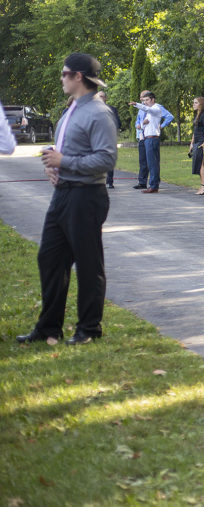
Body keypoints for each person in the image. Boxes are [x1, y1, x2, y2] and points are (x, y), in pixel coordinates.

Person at [16, 54, 117, 346]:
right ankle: (49, 328)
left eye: (64, 73)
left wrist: (65, 161)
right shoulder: (72, 110)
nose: (60, 78)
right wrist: (54, 164)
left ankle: (89, 329)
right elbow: (67, 151)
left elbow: (107, 158)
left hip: (87, 196)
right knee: (49, 258)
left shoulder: (99, 112)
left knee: (88, 264)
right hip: (63, 194)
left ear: (78, 77)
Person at [129, 90, 173, 193]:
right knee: (151, 162)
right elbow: (146, 122)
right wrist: (143, 123)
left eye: (147, 100)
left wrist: (136, 104)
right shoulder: (151, 111)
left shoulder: (156, 108)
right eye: (143, 100)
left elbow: (148, 110)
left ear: (153, 99)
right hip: (147, 138)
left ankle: (153, 185)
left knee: (152, 163)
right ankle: (154, 184)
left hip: (152, 138)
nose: (145, 102)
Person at [96, 91, 122, 187]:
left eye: (102, 96)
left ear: (106, 98)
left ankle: (109, 182)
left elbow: (119, 123)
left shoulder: (112, 109)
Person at [189, 96, 204, 195]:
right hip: (197, 141)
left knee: (202, 164)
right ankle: (203, 185)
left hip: (202, 141)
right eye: (193, 103)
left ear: (201, 104)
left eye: (195, 103)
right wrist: (191, 143)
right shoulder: (197, 115)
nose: (193, 105)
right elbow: (195, 131)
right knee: (199, 163)